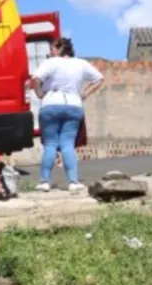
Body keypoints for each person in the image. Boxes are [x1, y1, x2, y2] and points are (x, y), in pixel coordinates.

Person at [30, 37, 104, 192]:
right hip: (73, 105)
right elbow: (99, 79)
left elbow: (35, 78)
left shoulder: (51, 62)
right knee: (68, 145)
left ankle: (44, 182)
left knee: (50, 144)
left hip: (51, 104)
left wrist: (39, 93)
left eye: (53, 48)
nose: (51, 51)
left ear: (61, 48)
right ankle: (73, 182)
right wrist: (84, 94)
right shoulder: (81, 63)